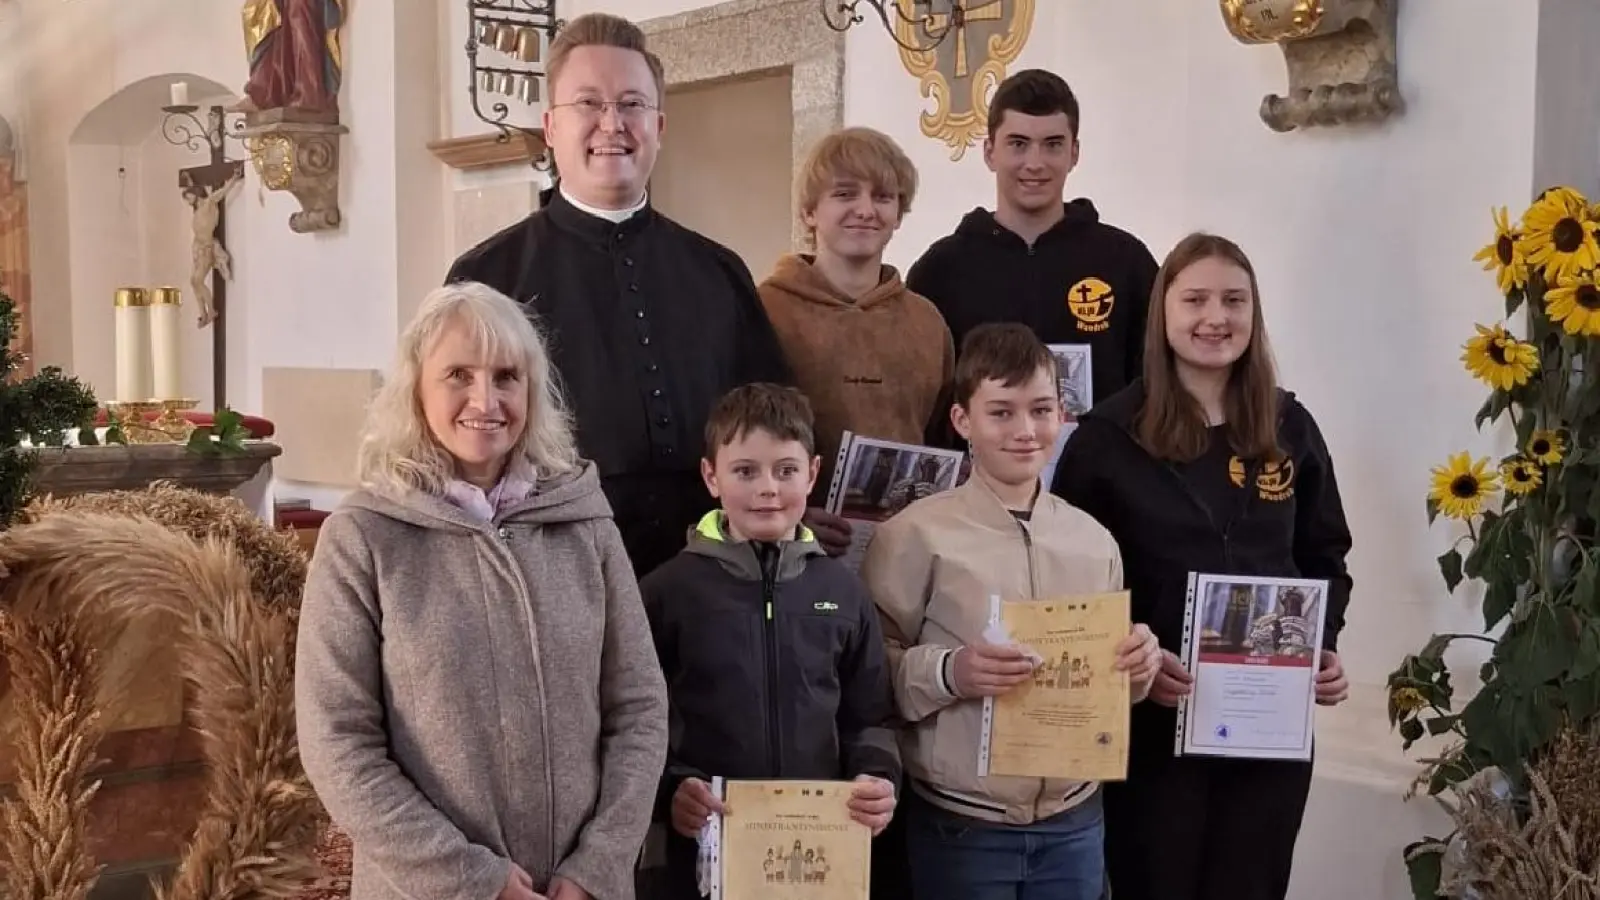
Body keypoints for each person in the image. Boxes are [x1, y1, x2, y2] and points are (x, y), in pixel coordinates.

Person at [295, 281, 668, 900]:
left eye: (506, 376)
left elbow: (639, 708)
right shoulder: (363, 538)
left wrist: (597, 866)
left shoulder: (585, 523)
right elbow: (337, 743)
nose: (485, 399)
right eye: (458, 375)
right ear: (416, 388)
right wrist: (475, 881)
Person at [1050, 232, 1354, 900]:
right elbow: (1065, 582)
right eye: (1195, 300)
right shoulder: (1109, 437)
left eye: (1233, 300)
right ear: (1163, 313)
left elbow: (1324, 556)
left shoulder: (1288, 426)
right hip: (1155, 722)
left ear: (1254, 314)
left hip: (1266, 727)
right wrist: (1131, 661)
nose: (1215, 317)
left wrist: (1321, 648)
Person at [444, 12, 793, 578]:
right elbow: (453, 443)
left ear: (659, 125)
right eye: (589, 104)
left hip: (714, 574)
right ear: (550, 127)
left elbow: (774, 420)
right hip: (552, 569)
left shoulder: (719, 271)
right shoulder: (486, 277)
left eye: (631, 105)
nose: (613, 123)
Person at [861, 322, 1162, 900]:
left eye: (1042, 409)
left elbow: (1109, 687)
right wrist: (953, 671)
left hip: (1075, 822)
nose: (1025, 431)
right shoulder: (913, 535)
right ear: (962, 421)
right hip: (962, 826)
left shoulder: (1094, 539)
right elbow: (870, 673)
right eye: (1001, 412)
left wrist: (1138, 670)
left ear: (1062, 414)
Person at [640, 382, 899, 900]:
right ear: (711, 476)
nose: (768, 489)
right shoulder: (667, 591)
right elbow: (634, 722)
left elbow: (872, 715)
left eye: (785, 470)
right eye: (745, 471)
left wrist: (876, 777)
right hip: (704, 852)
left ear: (814, 474)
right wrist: (672, 790)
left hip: (820, 851)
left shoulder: (842, 590)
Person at [906, 69, 1157, 418]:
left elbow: (1156, 384)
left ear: (1074, 153)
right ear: (990, 152)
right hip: (980, 472)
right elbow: (922, 400)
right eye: (1018, 144)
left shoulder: (1127, 263)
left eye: (1052, 145)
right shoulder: (940, 271)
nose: (1035, 163)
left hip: (1101, 471)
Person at [755, 126, 954, 544]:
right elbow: (733, 437)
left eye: (883, 197)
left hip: (908, 548)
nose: (865, 209)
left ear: (899, 214)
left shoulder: (927, 322)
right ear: (810, 211)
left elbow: (942, 437)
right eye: (845, 194)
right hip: (790, 550)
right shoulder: (763, 310)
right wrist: (790, 516)